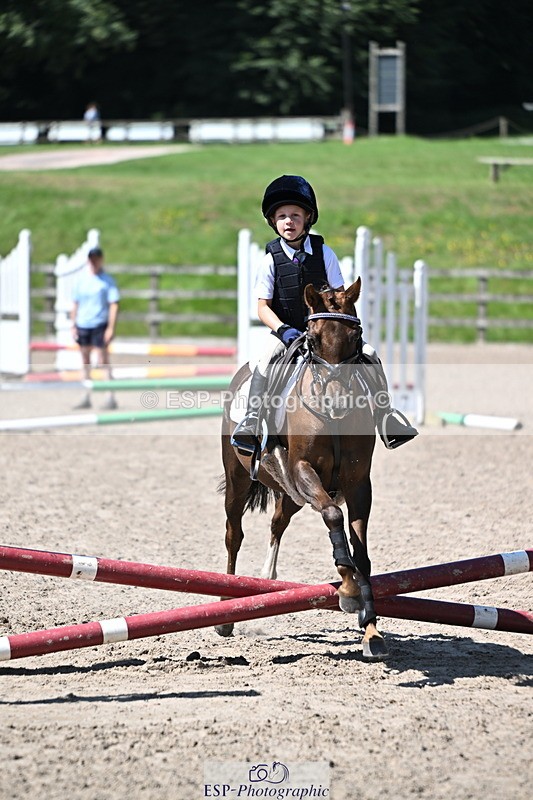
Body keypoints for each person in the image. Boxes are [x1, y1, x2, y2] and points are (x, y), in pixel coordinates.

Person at [231, 174, 418, 454]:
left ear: (308, 218)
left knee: (370, 354)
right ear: (273, 221)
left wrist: (336, 328)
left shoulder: (324, 253)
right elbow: (262, 307)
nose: (288, 221)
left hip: (324, 332)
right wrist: (283, 330)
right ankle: (252, 421)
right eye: (282, 216)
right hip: (286, 331)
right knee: (263, 361)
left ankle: (386, 416)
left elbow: (339, 297)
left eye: (295, 215)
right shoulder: (270, 260)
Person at [70, 247, 119, 410]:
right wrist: (73, 324)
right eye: (92, 259)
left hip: (99, 324)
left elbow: (113, 305)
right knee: (85, 361)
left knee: (103, 360)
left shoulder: (107, 281)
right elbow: (75, 304)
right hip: (83, 324)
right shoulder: (81, 280)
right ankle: (86, 394)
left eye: (96, 259)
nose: (94, 262)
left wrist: (110, 327)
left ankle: (110, 396)